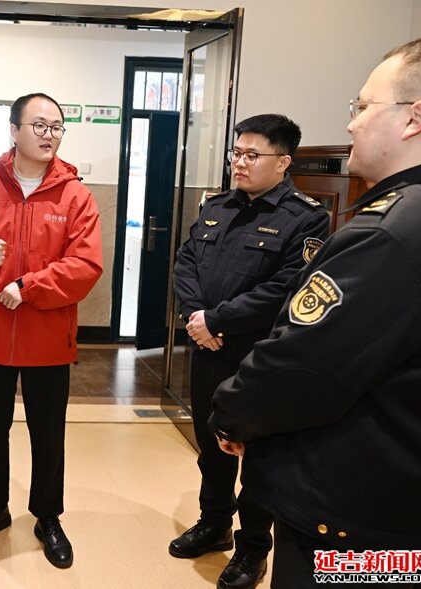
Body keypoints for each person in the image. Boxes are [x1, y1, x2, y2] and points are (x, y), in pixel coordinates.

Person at [210, 32, 421, 588]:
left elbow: (302, 369)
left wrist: (232, 415)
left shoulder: (390, 233)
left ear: (415, 118)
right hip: (401, 495)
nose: (351, 124)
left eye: (362, 107)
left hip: (346, 510)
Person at [0, 92, 103, 569]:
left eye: (57, 127)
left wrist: (29, 287)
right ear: (14, 130)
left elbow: (85, 265)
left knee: (48, 434)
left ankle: (48, 517)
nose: (49, 135)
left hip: (48, 338)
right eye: (40, 125)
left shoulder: (75, 196)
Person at [170, 114, 330, 589]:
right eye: (236, 153)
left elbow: (287, 288)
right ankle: (214, 523)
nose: (239, 162)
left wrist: (216, 320)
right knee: (211, 448)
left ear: (283, 162)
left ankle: (253, 549)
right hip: (208, 349)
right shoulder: (217, 206)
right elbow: (186, 262)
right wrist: (196, 318)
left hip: (259, 358)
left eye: (252, 155)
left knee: (258, 457)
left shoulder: (306, 217)